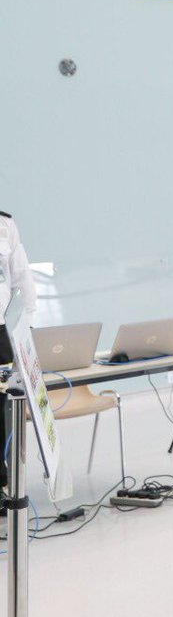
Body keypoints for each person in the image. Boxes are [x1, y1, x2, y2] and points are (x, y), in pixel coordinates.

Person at [0, 210, 37, 492]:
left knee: (3, 411)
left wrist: (28, 327)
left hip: (1, 333)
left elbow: (22, 278)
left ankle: (4, 486)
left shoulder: (5, 224)